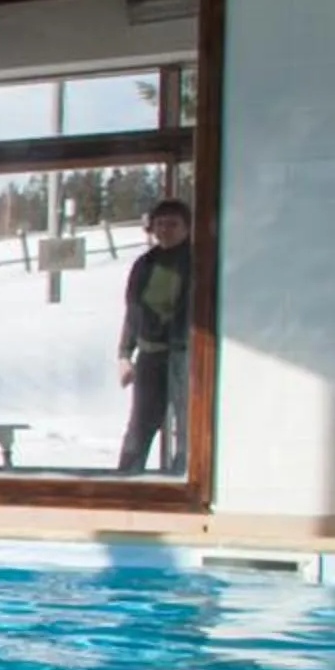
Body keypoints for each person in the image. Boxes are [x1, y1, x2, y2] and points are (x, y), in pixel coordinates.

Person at [116, 198, 194, 474]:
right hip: (150, 355)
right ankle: (125, 479)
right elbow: (133, 312)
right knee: (140, 423)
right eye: (160, 224)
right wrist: (125, 354)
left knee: (187, 424)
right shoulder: (144, 264)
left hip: (185, 355)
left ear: (187, 228)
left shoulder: (198, 262)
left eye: (173, 224)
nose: (165, 230)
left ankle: (182, 477)